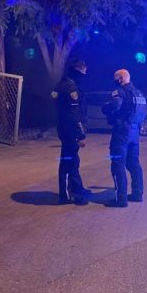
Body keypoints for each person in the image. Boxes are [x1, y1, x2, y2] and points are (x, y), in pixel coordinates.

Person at [102, 69, 146, 208]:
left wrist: (106, 108)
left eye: (115, 79)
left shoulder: (120, 92)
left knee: (117, 163)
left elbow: (115, 106)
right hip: (135, 132)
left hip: (122, 132)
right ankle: (137, 194)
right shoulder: (139, 93)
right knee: (133, 163)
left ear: (120, 79)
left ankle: (120, 199)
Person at [51, 59, 91, 205]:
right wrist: (80, 135)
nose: (84, 76)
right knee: (69, 162)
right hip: (70, 130)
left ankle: (75, 189)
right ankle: (68, 194)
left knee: (70, 160)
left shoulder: (60, 85)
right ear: (77, 72)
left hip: (64, 128)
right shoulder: (70, 88)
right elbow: (74, 114)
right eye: (83, 73)